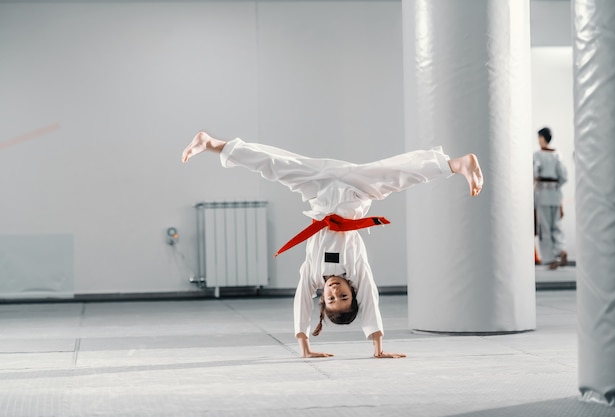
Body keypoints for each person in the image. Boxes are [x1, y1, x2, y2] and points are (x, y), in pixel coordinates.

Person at [182, 132, 483, 358]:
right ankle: (456, 164)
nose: (335, 291)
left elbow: (301, 302)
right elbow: (373, 301)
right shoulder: (357, 271)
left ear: (322, 302)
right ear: (353, 291)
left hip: (320, 190)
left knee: (274, 164)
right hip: (357, 190)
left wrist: (304, 346)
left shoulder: (312, 276)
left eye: (330, 299)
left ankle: (210, 142)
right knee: (396, 174)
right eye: (344, 295)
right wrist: (378, 346)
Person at [533, 127, 568, 270]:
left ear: (542, 138)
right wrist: (555, 185)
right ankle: (561, 250)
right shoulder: (557, 155)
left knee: (545, 228)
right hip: (555, 194)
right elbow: (564, 176)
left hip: (543, 194)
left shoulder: (538, 155)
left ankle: (550, 259)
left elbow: (535, 172)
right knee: (556, 226)